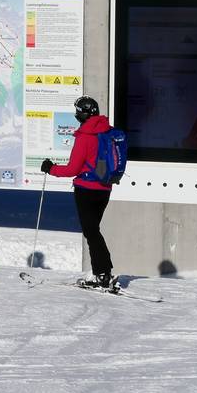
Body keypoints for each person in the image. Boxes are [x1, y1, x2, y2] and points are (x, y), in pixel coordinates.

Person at [41, 96, 116, 289]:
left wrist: (51, 168)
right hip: (104, 188)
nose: (76, 115)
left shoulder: (85, 137)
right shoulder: (107, 131)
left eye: (78, 112)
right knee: (93, 231)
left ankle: (103, 273)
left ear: (83, 114)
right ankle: (101, 272)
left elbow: (72, 169)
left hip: (86, 190)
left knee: (91, 232)